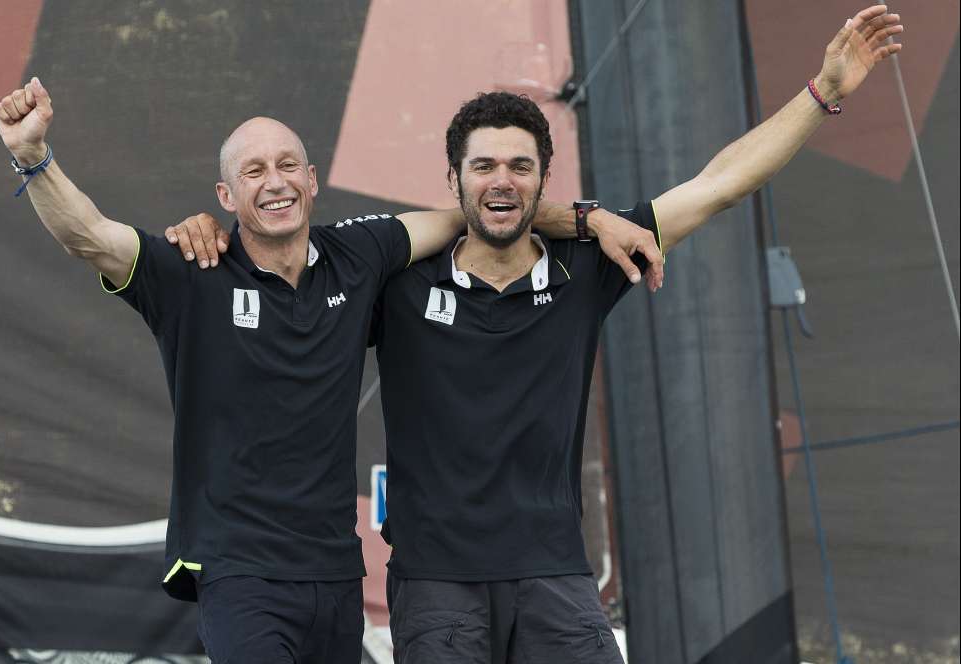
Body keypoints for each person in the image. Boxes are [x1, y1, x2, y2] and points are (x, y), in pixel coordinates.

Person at [167, 6, 903, 663]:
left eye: (521, 167)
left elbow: (719, 186)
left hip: (555, 578)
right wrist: (213, 234)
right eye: (482, 166)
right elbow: (281, 241)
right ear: (452, 181)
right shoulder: (396, 279)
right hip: (433, 587)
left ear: (545, 178)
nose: (501, 181)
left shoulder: (590, 264)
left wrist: (823, 94)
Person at [0, 80, 661, 663]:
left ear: (313, 181)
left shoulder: (360, 254)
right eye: (253, 172)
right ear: (226, 193)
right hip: (241, 573)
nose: (275, 181)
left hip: (337, 573)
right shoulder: (189, 272)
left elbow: (487, 209)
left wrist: (587, 217)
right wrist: (32, 155)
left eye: (288, 165)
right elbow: (89, 236)